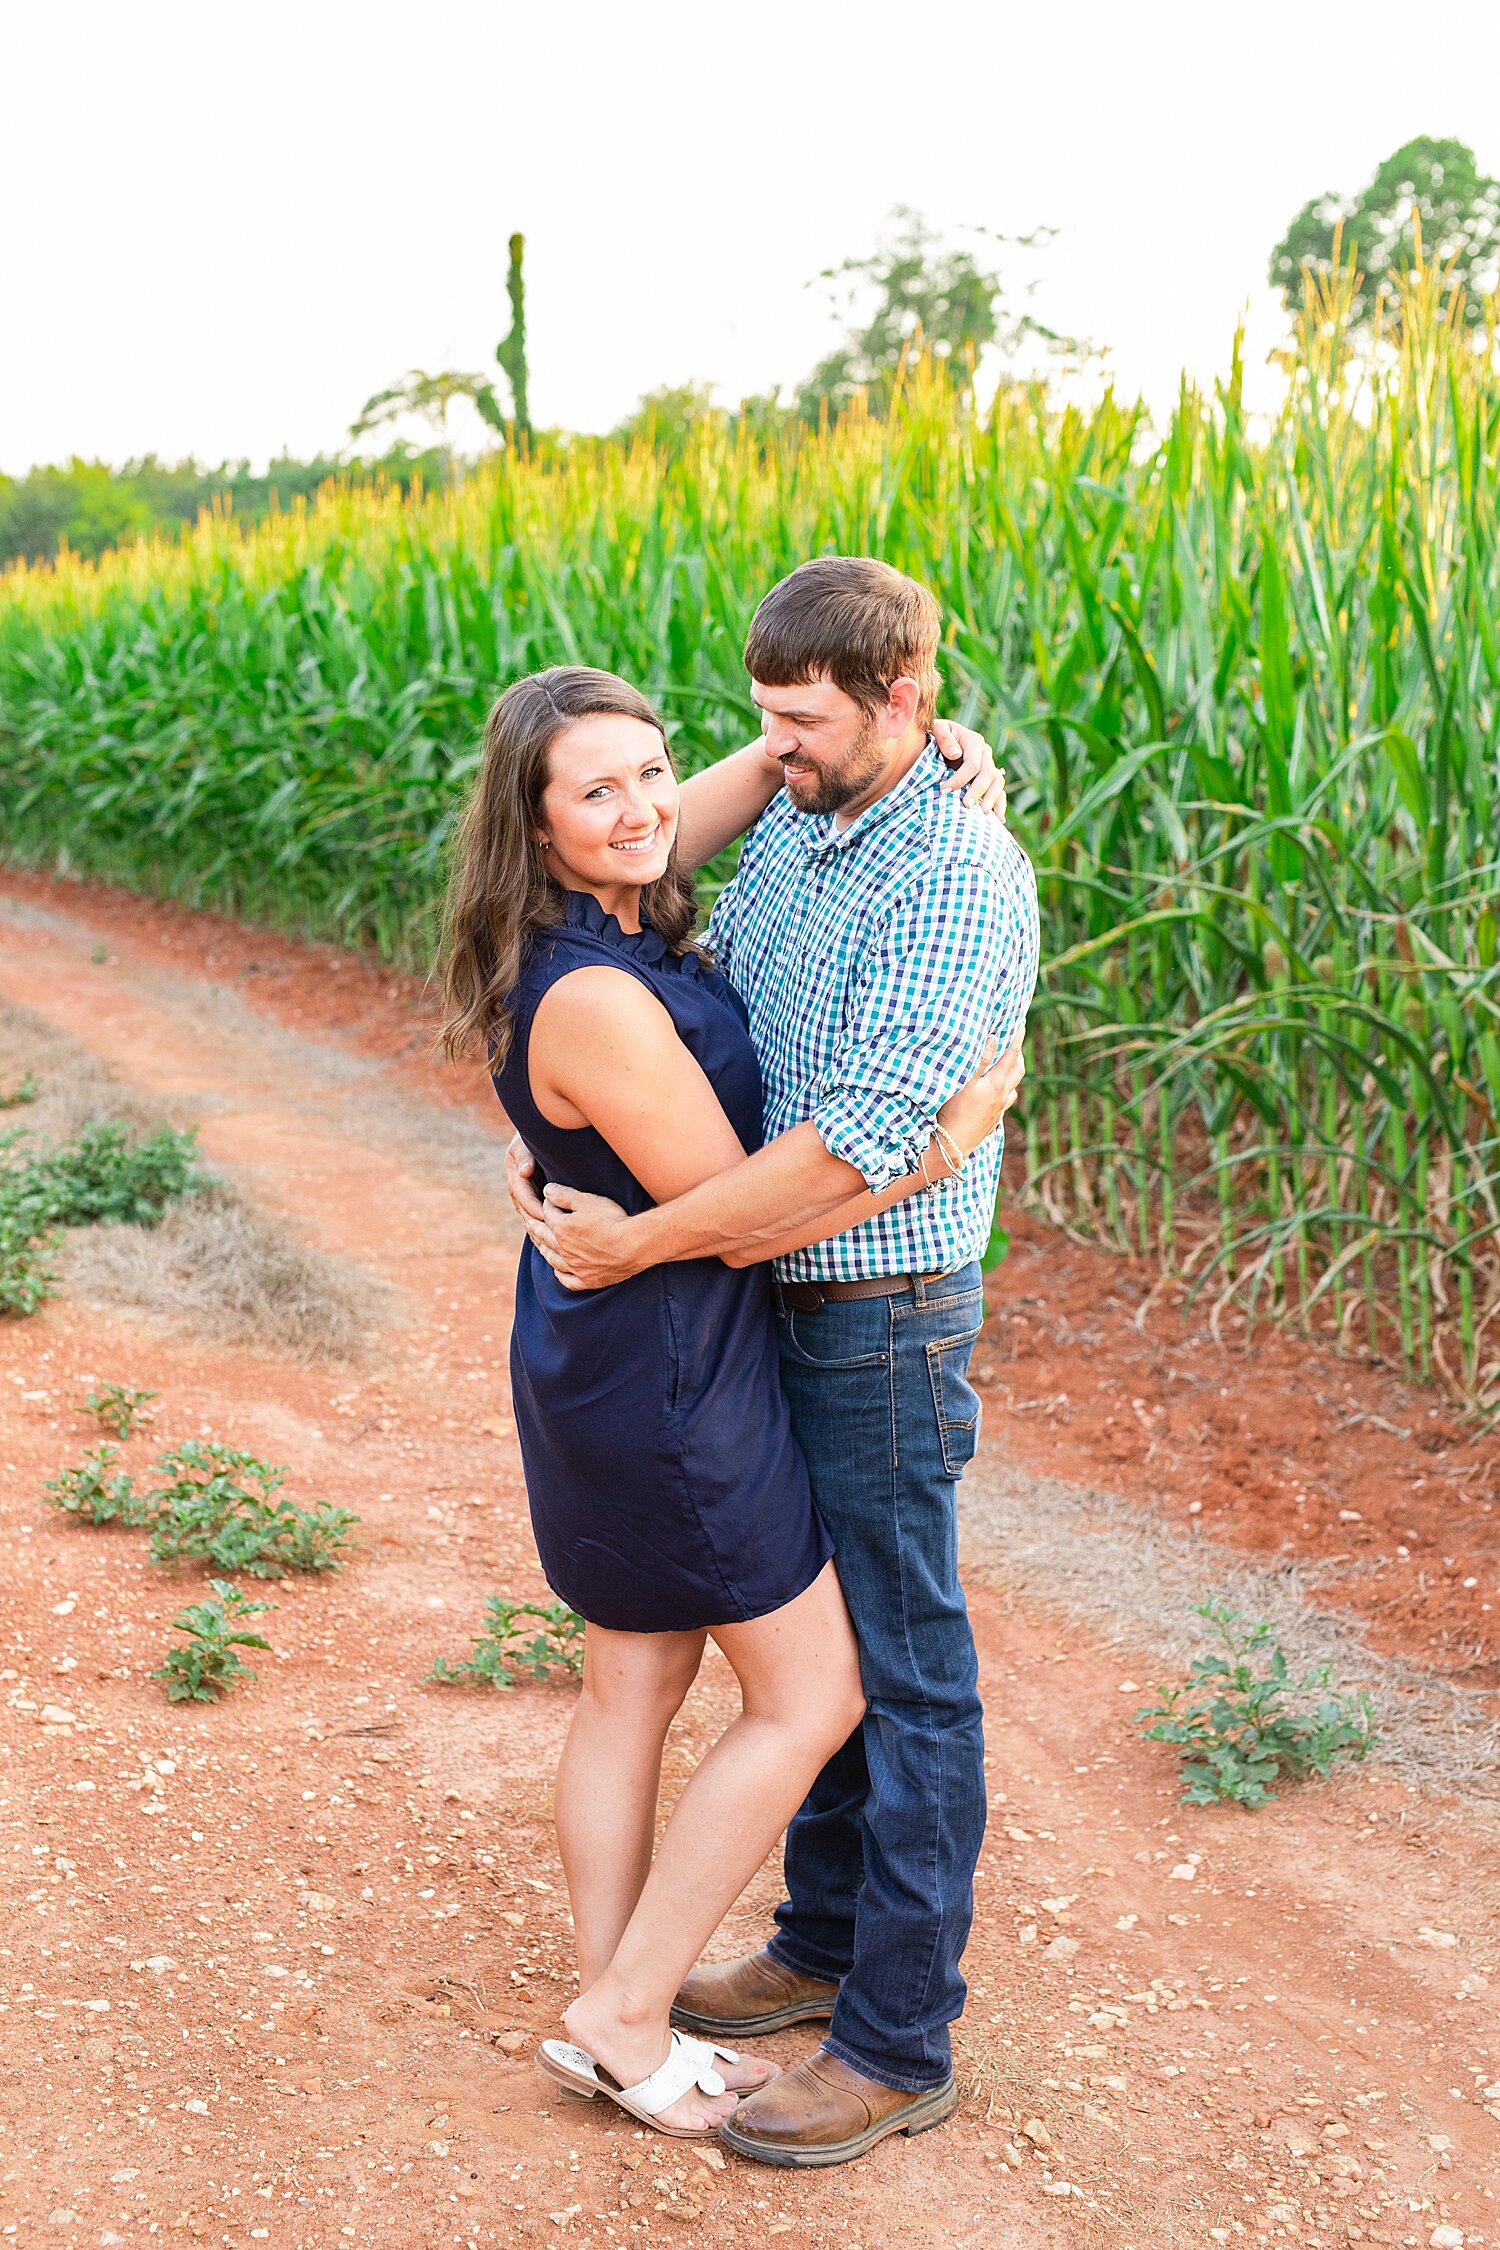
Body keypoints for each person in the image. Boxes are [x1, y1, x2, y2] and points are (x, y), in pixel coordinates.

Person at [441, 660, 1022, 2141]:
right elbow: (745, 1206)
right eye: (598, 788)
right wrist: (953, 1130)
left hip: (607, 1343)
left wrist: (919, 735)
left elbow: (758, 773)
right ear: (536, 820)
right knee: (816, 1691)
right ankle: (628, 2007)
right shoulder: (600, 993)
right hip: (678, 1373)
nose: (643, 805)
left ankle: (613, 2009)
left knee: (630, 1682)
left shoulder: (596, 913)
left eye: (653, 768)